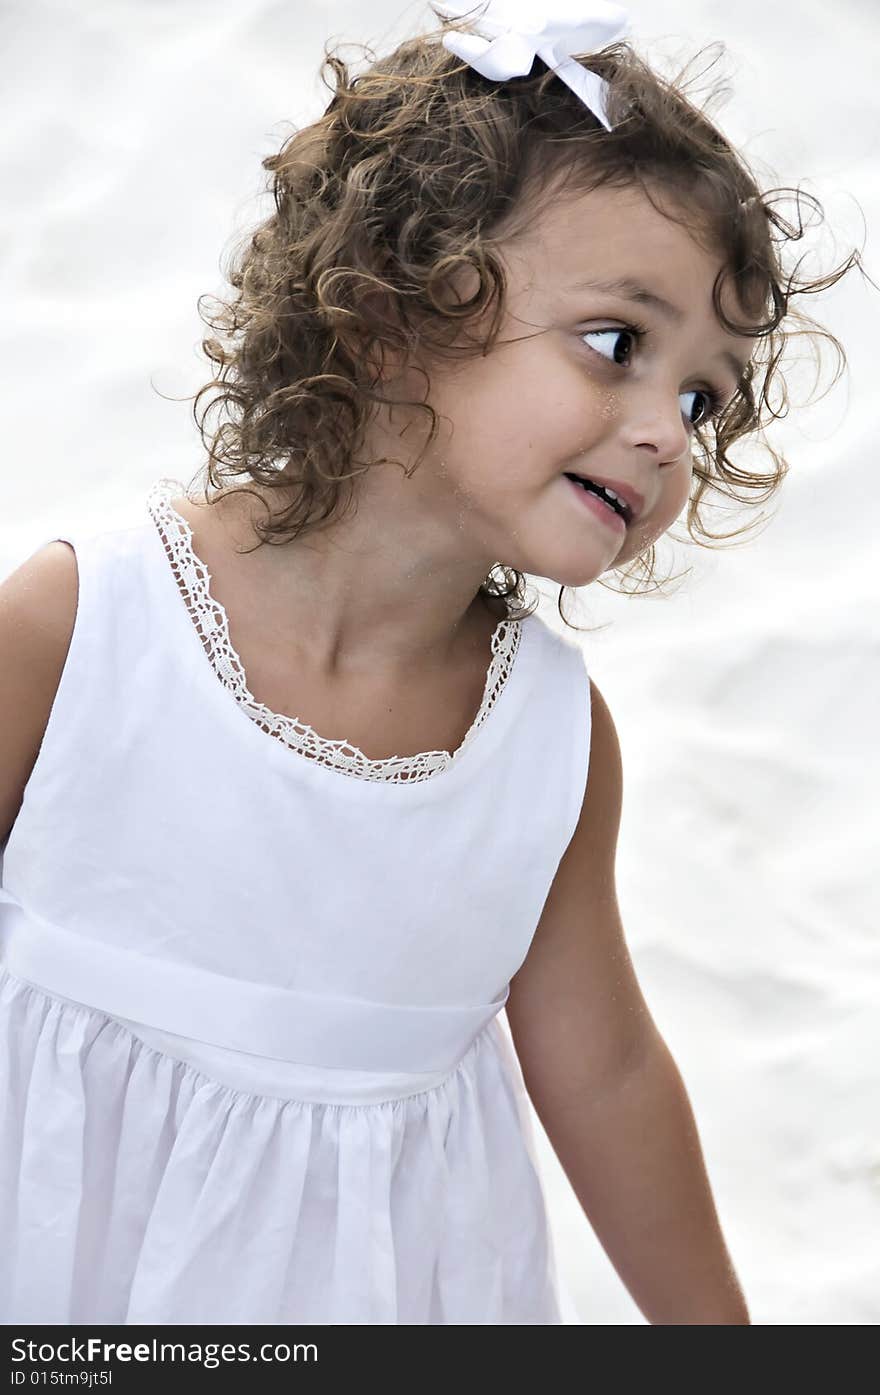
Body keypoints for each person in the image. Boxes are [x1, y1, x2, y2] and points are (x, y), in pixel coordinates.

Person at [0, 1, 855, 1324]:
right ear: (397, 307)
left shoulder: (549, 743)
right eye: (621, 345)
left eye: (703, 398)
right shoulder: (82, 624)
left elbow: (607, 1069)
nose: (666, 436)